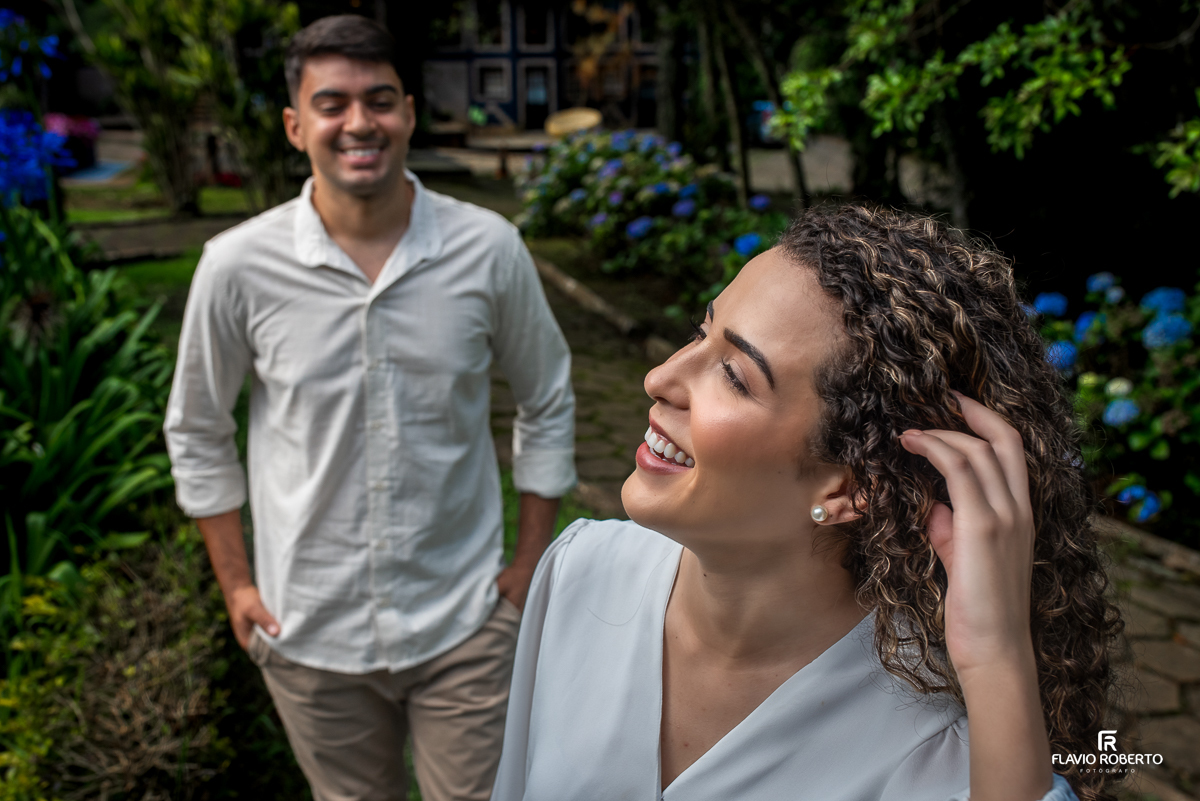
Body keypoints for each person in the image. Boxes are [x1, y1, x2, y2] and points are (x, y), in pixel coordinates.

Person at [492, 206, 1121, 801]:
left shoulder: (945, 752)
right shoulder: (581, 570)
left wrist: (995, 657)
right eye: (699, 333)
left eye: (736, 376)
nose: (660, 378)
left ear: (851, 486)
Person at [163, 15, 575, 801]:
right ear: (295, 125)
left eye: (380, 100)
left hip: (465, 617)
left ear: (410, 113)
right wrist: (236, 585)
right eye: (332, 102)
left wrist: (526, 566)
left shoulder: (488, 249)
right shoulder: (236, 267)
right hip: (308, 626)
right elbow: (196, 428)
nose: (360, 122)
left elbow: (547, 396)